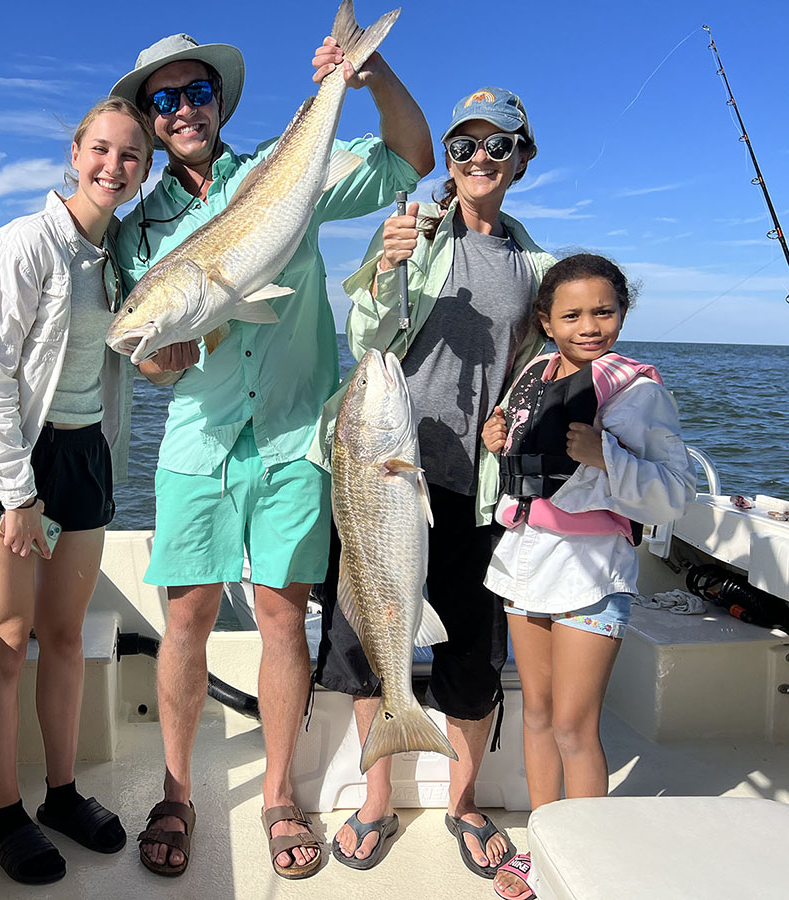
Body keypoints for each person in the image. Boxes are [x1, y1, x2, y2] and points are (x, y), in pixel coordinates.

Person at [109, 25, 433, 880]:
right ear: (149, 117)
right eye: (165, 99)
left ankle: (279, 794)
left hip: (297, 436)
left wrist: (368, 74)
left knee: (284, 615)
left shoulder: (286, 172)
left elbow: (410, 158)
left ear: (219, 101)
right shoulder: (137, 229)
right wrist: (157, 358)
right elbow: (142, 345)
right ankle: (177, 791)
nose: (184, 109)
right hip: (200, 441)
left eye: (197, 92)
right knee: (186, 619)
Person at [311, 87, 555, 875]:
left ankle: (461, 800)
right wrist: (387, 269)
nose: (477, 159)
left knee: (472, 659)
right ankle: (376, 797)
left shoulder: (536, 265)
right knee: (365, 642)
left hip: (474, 488)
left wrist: (520, 429)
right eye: (463, 146)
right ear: (447, 159)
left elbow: (542, 371)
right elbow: (367, 339)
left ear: (522, 159)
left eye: (497, 146)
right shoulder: (414, 232)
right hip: (379, 478)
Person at [0, 98, 153, 886]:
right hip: (7, 461)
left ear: (144, 168)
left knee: (65, 635)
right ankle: (2, 815)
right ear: (74, 151)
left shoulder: (119, 253)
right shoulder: (25, 243)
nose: (113, 166)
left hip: (85, 455)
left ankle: (61, 793)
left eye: (131, 155)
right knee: (7, 639)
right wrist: (17, 494)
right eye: (101, 149)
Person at [481, 255, 693, 899]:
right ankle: (543, 845)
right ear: (545, 322)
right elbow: (523, 463)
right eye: (571, 314)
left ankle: (589, 854)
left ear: (622, 314)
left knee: (576, 725)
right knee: (536, 717)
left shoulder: (640, 393)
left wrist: (607, 456)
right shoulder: (530, 378)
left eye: (603, 311)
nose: (589, 326)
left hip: (593, 574)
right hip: (524, 565)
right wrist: (498, 439)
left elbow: (673, 495)